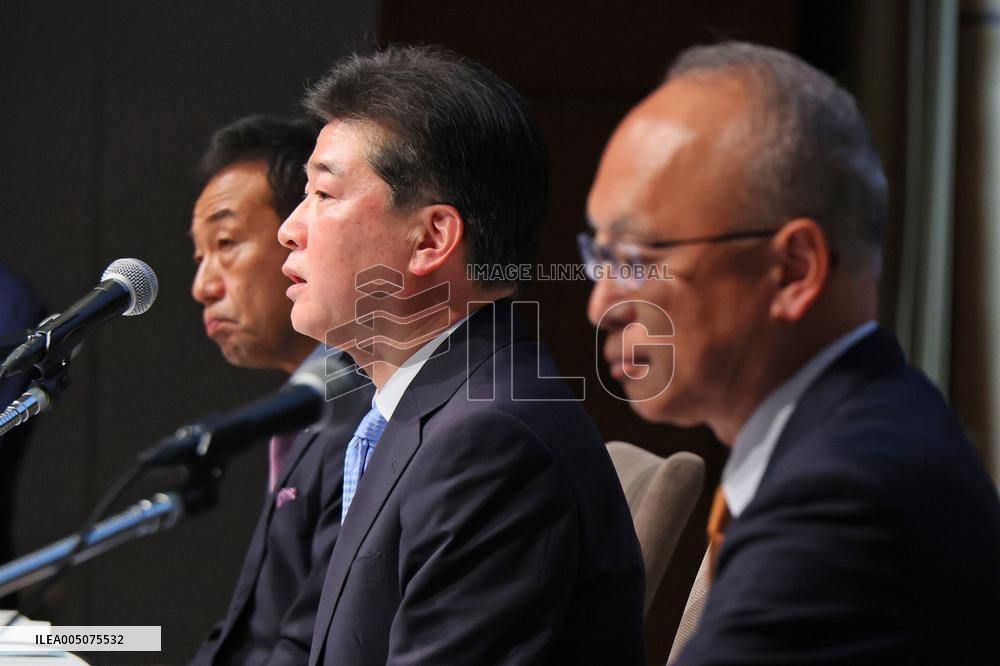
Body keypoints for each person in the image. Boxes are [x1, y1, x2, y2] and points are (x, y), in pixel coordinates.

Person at [583, 40, 1000, 664]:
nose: (600, 306)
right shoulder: (867, 423)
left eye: (636, 260)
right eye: (600, 257)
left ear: (794, 270)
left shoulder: (842, 505)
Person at [277, 46, 646, 665]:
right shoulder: (427, 413)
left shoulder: (491, 440)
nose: (291, 227)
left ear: (430, 238)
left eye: (323, 194)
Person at [187, 115, 372, 665]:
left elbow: (311, 640)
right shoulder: (309, 406)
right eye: (199, 257)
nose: (203, 285)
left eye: (226, 244)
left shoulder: (366, 411)